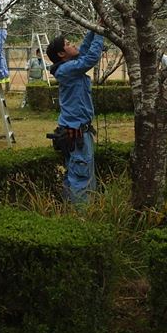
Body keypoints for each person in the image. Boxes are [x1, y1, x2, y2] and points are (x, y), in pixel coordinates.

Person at [46, 28, 104, 204]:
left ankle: (73, 210)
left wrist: (95, 29)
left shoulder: (69, 66)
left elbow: (84, 51)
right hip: (77, 133)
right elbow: (91, 58)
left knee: (79, 173)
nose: (74, 45)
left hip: (78, 132)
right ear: (62, 53)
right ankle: (80, 217)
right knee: (80, 177)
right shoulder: (67, 69)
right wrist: (100, 33)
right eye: (68, 44)